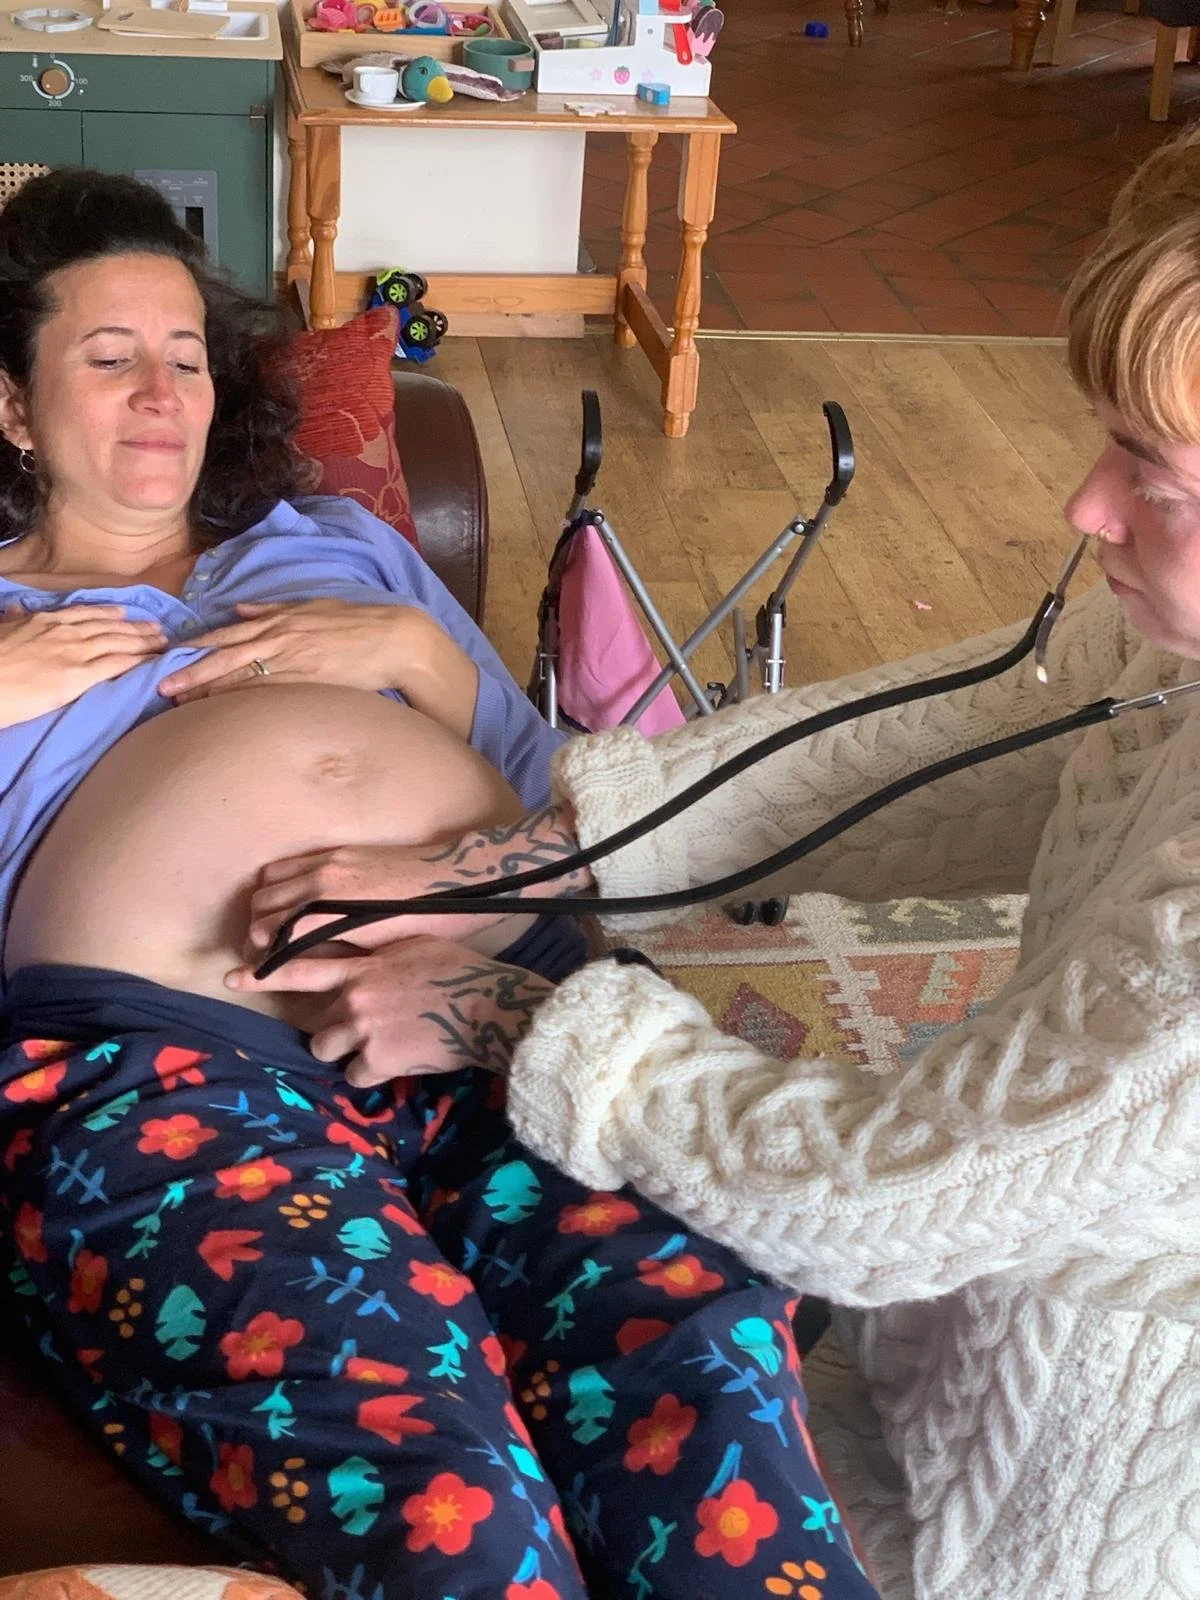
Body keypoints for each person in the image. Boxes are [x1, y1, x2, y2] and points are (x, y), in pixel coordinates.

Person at [237, 130, 1200, 1599]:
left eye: (1162, 482)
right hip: (939, 1364)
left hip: (1050, 1525)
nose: (1084, 507)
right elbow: (1012, 720)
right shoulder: (1168, 650)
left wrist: (518, 1018)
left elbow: (892, 1198)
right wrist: (545, 852)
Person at [0, 169, 878, 1600]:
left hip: (505, 1014)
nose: (162, 393)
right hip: (173, 1080)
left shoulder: (337, 551)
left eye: (183, 358)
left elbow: (593, 812)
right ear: (16, 410)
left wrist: (417, 661)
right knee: (449, 1505)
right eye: (108, 362)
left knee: (701, 1379)